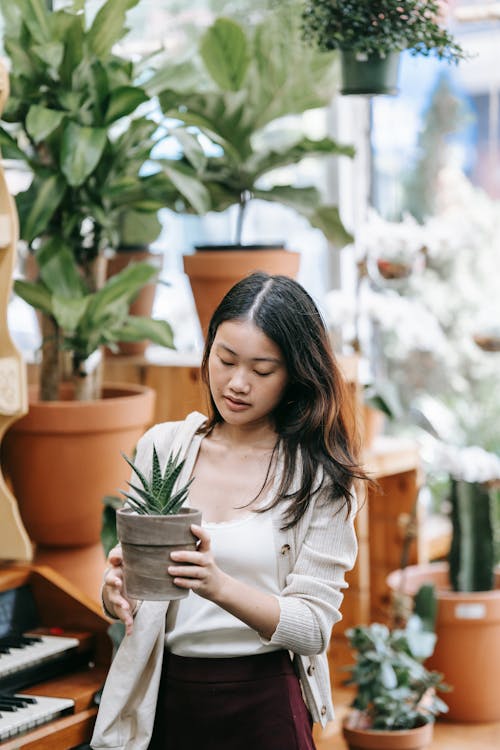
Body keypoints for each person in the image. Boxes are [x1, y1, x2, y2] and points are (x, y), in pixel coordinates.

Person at [91, 272, 367, 750]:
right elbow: (135, 586)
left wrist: (218, 586)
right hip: (166, 697)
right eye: (225, 360)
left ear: (296, 374)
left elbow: (312, 627)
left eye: (262, 371)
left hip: (265, 705)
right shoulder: (164, 449)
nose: (237, 384)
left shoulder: (318, 478)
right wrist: (116, 592)